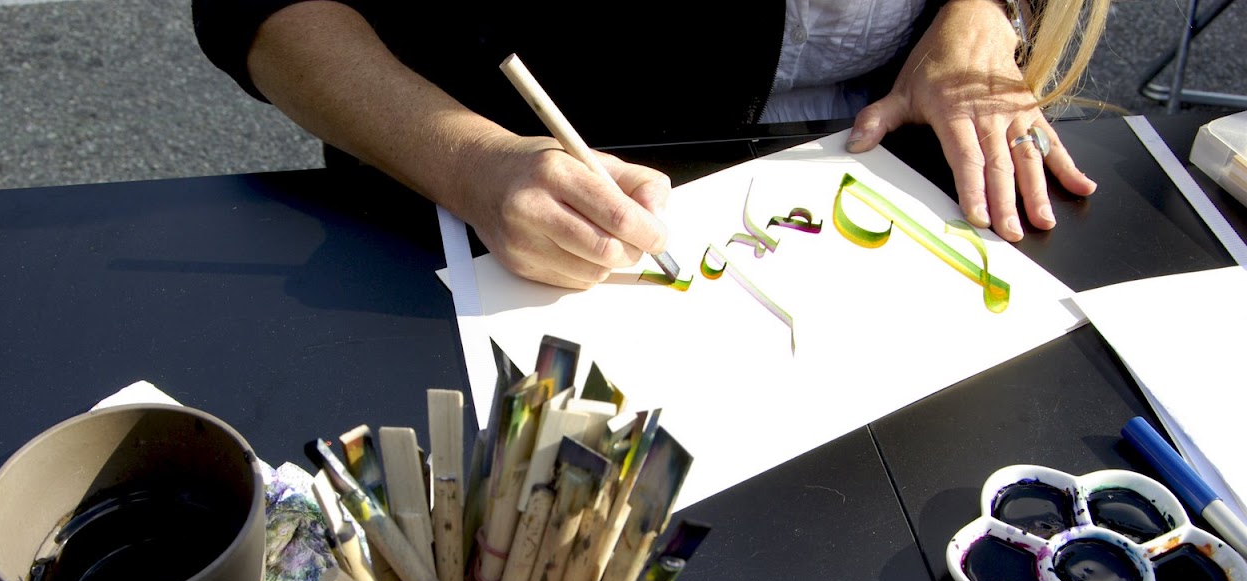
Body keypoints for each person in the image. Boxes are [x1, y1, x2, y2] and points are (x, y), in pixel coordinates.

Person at [192, 0, 1110, 290]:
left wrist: (986, 18)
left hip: (902, 180)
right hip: (473, 221)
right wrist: (470, 162)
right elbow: (264, 6)